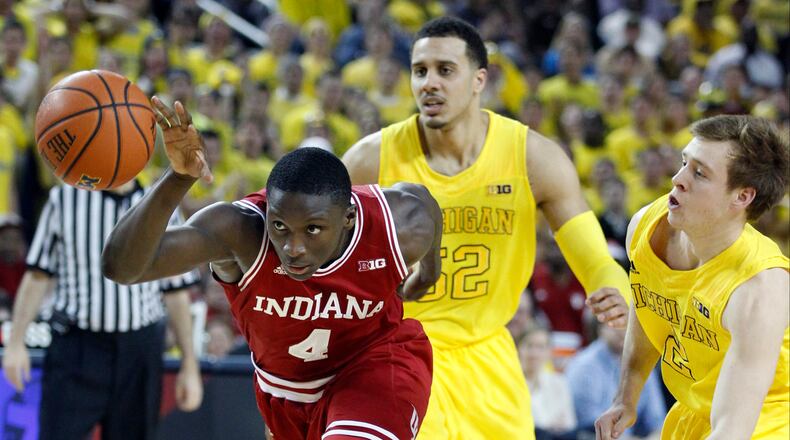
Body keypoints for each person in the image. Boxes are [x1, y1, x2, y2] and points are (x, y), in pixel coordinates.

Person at [342, 16, 631, 439]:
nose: (429, 83)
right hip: (398, 354)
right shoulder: (371, 160)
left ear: (479, 80)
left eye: (445, 70)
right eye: (419, 71)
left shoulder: (533, 158)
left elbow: (597, 262)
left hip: (491, 356)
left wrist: (613, 289)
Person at [101, 97, 444, 439]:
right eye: (280, 227)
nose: (293, 248)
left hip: (378, 366)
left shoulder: (393, 222)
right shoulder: (241, 229)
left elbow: (425, 203)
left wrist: (429, 271)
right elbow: (122, 267)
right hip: (285, 393)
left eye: (312, 230)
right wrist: (177, 178)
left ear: (348, 219)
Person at [595, 115, 789, 439]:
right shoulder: (645, 227)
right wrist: (626, 398)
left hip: (765, 421)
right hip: (695, 412)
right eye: (684, 162)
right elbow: (648, 304)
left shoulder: (759, 288)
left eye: (699, 173)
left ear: (741, 197)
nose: (678, 179)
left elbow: (733, 428)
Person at [1, 179, 203, 440]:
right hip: (77, 346)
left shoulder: (161, 203)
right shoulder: (64, 198)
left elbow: (176, 291)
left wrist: (190, 364)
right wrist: (16, 343)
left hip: (139, 350)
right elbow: (38, 274)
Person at [564, 322, 665, 437]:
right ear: (599, 328)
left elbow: (656, 421)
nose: (622, 331)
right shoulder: (584, 366)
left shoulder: (644, 364)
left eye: (628, 324)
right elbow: (590, 425)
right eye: (615, 324)